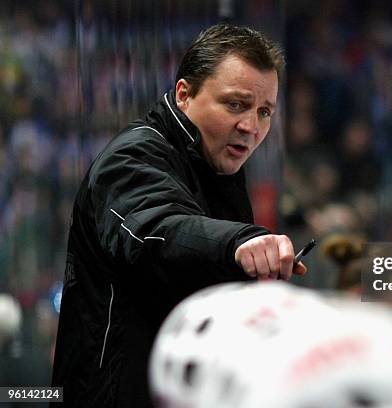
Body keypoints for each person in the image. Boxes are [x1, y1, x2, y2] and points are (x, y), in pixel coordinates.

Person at [51, 24, 307, 407]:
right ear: (184, 95)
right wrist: (237, 243)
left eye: (264, 111)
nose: (251, 127)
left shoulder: (218, 169)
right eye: (236, 104)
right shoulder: (131, 157)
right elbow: (160, 231)